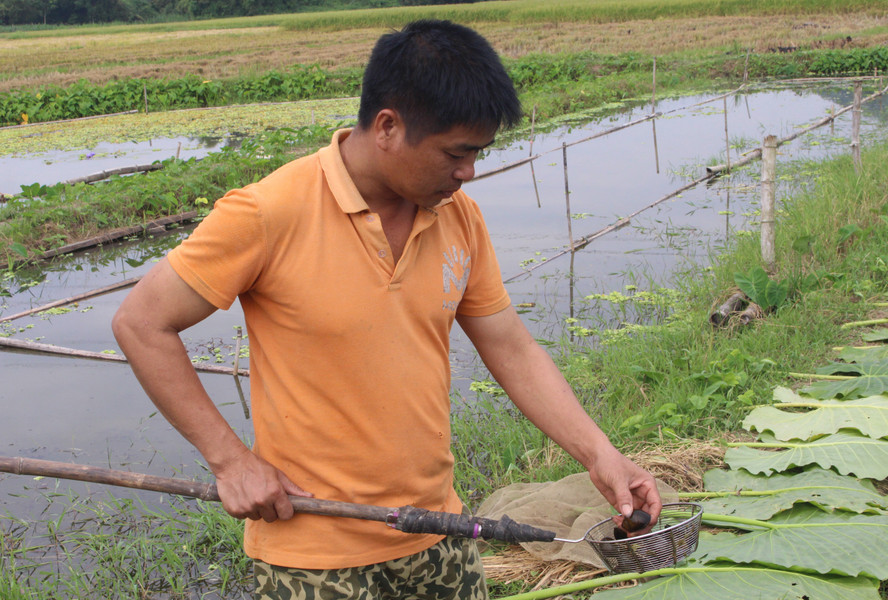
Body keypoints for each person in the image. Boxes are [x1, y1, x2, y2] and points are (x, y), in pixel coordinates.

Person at [112, 19, 661, 599]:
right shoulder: (268, 213)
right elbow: (142, 323)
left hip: (437, 533)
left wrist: (602, 455)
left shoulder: (459, 218)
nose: (468, 172)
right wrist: (229, 461)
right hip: (314, 552)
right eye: (456, 153)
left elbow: (511, 348)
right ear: (388, 127)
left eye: (478, 153)